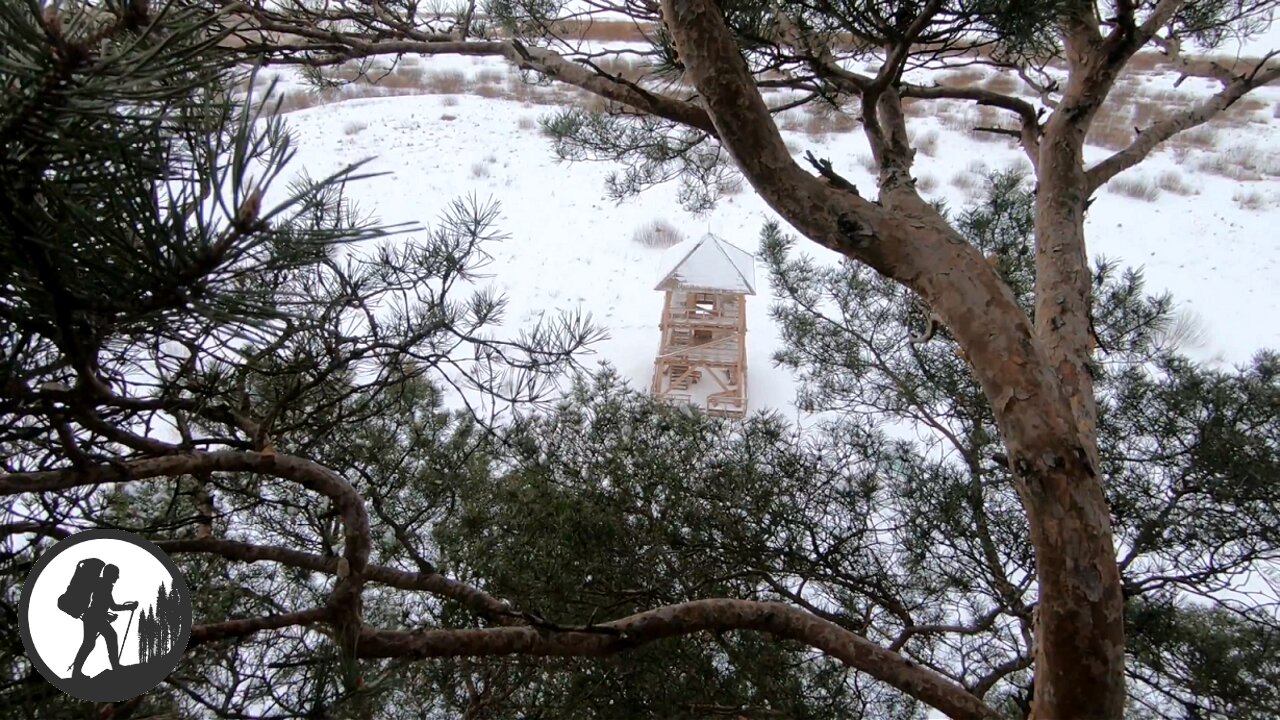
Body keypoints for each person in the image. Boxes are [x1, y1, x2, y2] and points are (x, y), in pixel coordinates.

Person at [70, 564, 138, 679]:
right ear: (110, 574)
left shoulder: (102, 584)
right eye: (116, 574)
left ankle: (76, 672)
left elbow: (101, 605)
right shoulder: (104, 585)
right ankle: (115, 667)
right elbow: (112, 607)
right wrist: (129, 607)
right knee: (105, 638)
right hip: (94, 617)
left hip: (93, 617)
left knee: (89, 644)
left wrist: (108, 617)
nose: (118, 577)